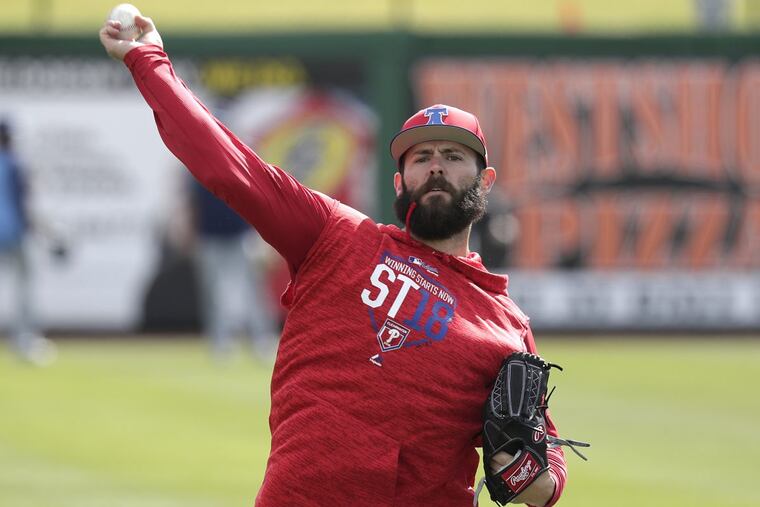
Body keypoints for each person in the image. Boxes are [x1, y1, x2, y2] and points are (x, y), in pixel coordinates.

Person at [99, 16, 567, 507]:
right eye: (420, 156)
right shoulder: (335, 235)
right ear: (398, 182)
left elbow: (548, 467)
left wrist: (537, 480)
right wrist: (148, 60)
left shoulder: (505, 324)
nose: (435, 166)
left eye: (453, 156)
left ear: (485, 181)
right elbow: (227, 164)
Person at [190, 178, 279, 362]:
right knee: (211, 292)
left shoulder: (235, 161)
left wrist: (262, 234)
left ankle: (262, 340)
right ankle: (220, 343)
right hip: (209, 237)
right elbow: (191, 201)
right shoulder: (196, 168)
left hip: (241, 235)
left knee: (253, 292)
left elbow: (257, 199)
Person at [0, 119, 56, 366]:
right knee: (25, 290)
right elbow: (26, 203)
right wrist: (43, 230)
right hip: (15, 234)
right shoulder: (15, 163)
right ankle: (25, 341)